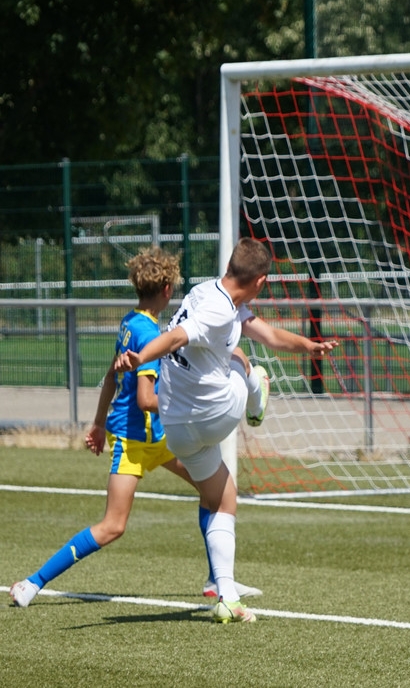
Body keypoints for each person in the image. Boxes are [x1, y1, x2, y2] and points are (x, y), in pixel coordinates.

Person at [8, 248, 263, 610]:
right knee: (113, 526)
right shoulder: (148, 334)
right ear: (166, 289)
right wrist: (188, 406)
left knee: (214, 496)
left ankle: (217, 581)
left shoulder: (130, 322)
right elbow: (145, 398)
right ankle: (33, 582)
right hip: (136, 440)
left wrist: (99, 423)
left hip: (157, 438)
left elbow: (112, 375)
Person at [111, 237, 336, 623]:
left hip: (177, 428)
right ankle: (256, 396)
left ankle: (227, 597)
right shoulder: (218, 310)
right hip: (215, 413)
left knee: (223, 499)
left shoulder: (206, 292)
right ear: (261, 281)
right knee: (241, 358)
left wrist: (307, 346)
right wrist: (140, 357)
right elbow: (176, 337)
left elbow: (268, 333)